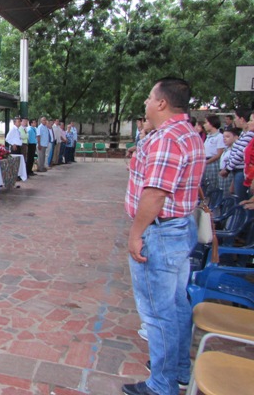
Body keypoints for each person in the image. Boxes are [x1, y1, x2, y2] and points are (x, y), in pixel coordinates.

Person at [123, 77, 205, 395]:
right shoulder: (188, 132)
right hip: (179, 227)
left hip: (160, 232)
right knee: (176, 303)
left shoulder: (168, 138)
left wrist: (136, 233)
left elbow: (156, 193)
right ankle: (179, 369)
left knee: (158, 312)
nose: (145, 102)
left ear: (162, 103)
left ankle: (162, 384)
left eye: (149, 97)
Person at [220, 108, 253, 202]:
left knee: (242, 200)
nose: (234, 120)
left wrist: (227, 169)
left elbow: (240, 154)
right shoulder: (244, 133)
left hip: (242, 171)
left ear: (241, 119)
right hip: (237, 170)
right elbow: (235, 152)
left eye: (235, 117)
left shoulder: (250, 135)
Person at [202, 115, 225, 192]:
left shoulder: (219, 137)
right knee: (205, 183)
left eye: (206, 123)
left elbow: (219, 154)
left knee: (212, 184)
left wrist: (207, 162)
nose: (204, 125)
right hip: (206, 161)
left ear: (211, 124)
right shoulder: (208, 137)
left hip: (212, 162)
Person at [219, 127, 239, 198]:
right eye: (223, 137)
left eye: (227, 137)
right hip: (222, 174)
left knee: (228, 197)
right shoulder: (226, 149)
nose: (224, 139)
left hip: (229, 174)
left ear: (236, 137)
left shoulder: (235, 151)